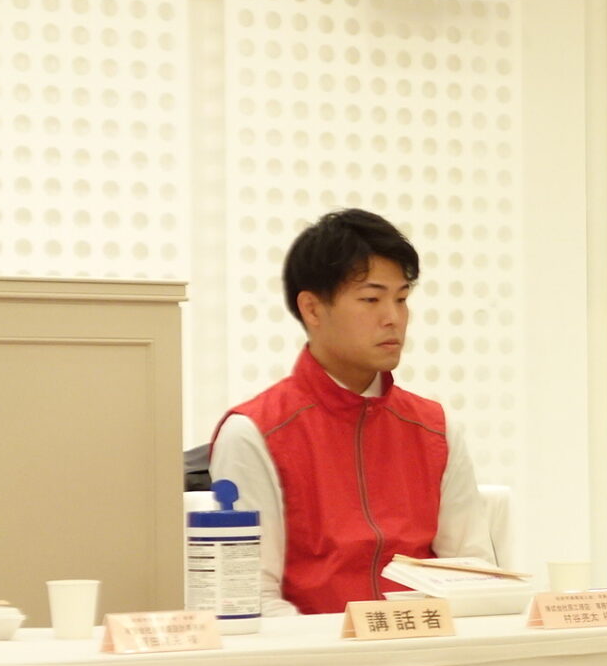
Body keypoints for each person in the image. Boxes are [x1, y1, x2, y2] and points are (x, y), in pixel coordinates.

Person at [209, 209, 492, 615]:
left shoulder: (435, 428)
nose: (393, 318)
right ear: (312, 309)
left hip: (424, 645)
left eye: (402, 299)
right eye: (371, 299)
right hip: (314, 649)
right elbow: (251, 598)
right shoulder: (254, 433)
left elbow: (472, 575)